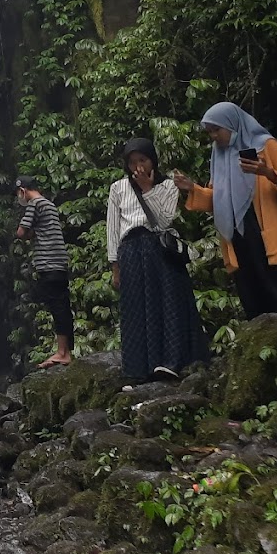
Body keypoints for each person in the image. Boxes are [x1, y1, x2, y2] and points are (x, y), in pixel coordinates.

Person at [174, 102, 277, 320]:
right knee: (251, 292)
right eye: (210, 132)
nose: (214, 136)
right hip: (236, 234)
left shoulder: (264, 145)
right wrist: (192, 188)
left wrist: (267, 172)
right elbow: (218, 199)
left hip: (263, 227)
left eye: (217, 129)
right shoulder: (219, 156)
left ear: (232, 124)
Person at [107, 138, 207, 382]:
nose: (138, 166)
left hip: (159, 249)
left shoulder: (168, 185)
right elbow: (112, 228)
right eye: (133, 162)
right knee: (136, 308)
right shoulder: (118, 188)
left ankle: (171, 362)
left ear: (153, 159)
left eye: (143, 160)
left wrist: (148, 190)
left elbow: (163, 222)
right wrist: (115, 267)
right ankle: (138, 370)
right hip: (131, 250)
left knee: (167, 303)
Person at [15, 176, 74, 368]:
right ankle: (65, 351)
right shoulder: (49, 204)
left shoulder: (34, 204)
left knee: (57, 306)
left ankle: (62, 353)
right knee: (62, 306)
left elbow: (21, 233)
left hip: (48, 264)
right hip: (59, 263)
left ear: (23, 190)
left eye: (18, 193)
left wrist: (29, 233)